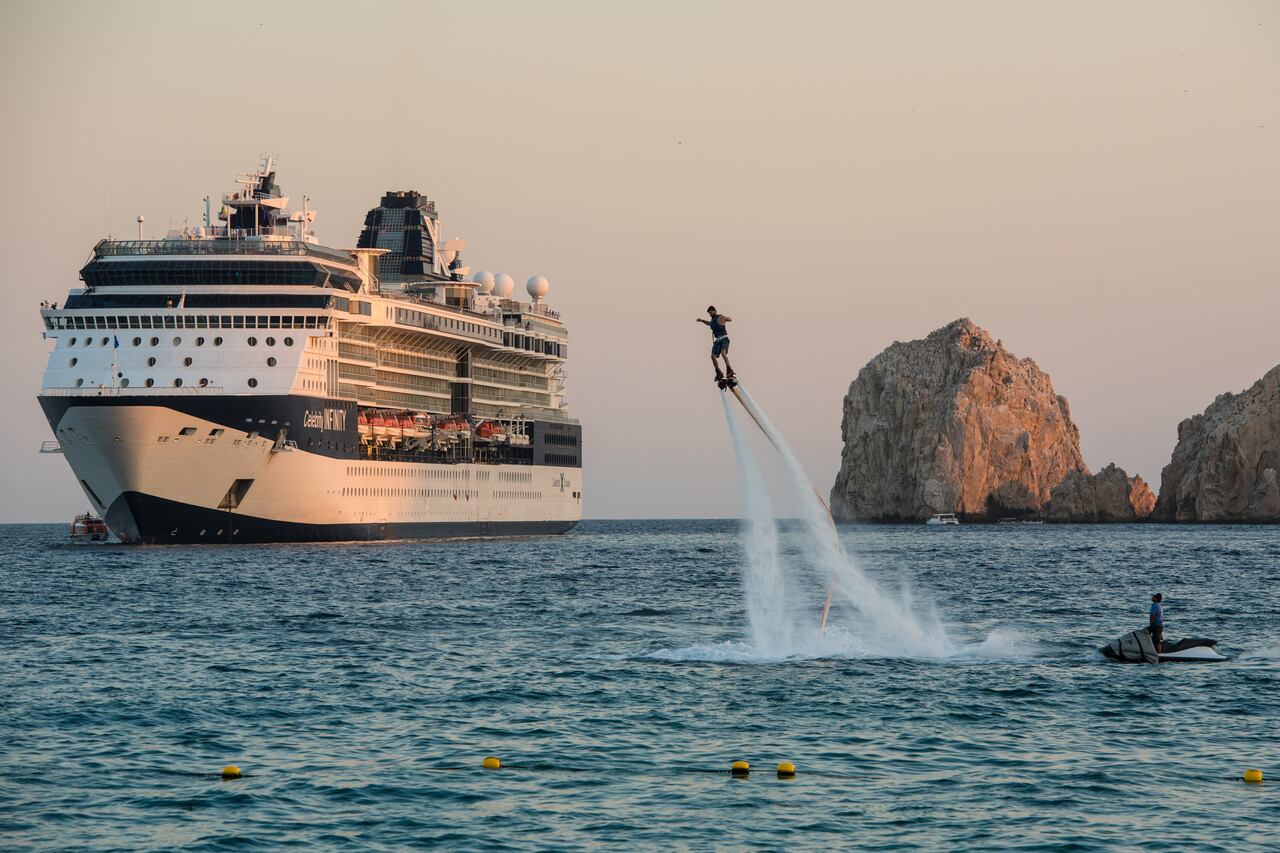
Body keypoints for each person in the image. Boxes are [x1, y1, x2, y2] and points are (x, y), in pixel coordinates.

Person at [695, 305, 734, 382]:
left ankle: (729, 369)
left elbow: (729, 319)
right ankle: (719, 372)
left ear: (715, 311)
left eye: (711, 313)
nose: (710, 314)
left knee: (723, 354)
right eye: (709, 313)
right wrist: (702, 320)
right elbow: (709, 323)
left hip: (724, 338)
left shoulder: (720, 317)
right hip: (717, 341)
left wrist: (727, 319)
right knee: (713, 357)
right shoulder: (712, 320)